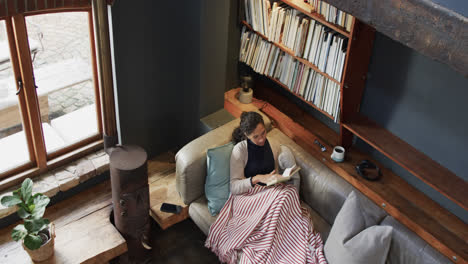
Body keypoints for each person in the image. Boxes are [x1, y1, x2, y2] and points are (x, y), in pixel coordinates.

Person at [205, 111, 326, 264]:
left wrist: (281, 177)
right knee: (283, 197)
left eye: (263, 133)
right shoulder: (240, 151)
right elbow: (234, 187)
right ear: (246, 135)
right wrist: (257, 178)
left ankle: (285, 240)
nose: (262, 139)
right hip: (247, 197)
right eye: (256, 137)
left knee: (288, 193)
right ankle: (271, 243)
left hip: (268, 191)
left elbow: (275, 176)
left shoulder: (273, 145)